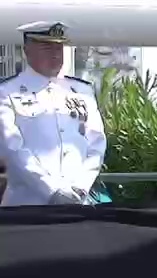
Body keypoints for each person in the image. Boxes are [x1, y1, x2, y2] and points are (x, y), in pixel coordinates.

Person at [0, 22, 107, 207]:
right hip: (27, 206)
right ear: (27, 51)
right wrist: (52, 191)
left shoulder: (81, 90)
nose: (56, 54)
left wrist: (80, 187)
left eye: (59, 47)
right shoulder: (7, 92)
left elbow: (97, 143)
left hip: (77, 203)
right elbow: (12, 149)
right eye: (47, 47)